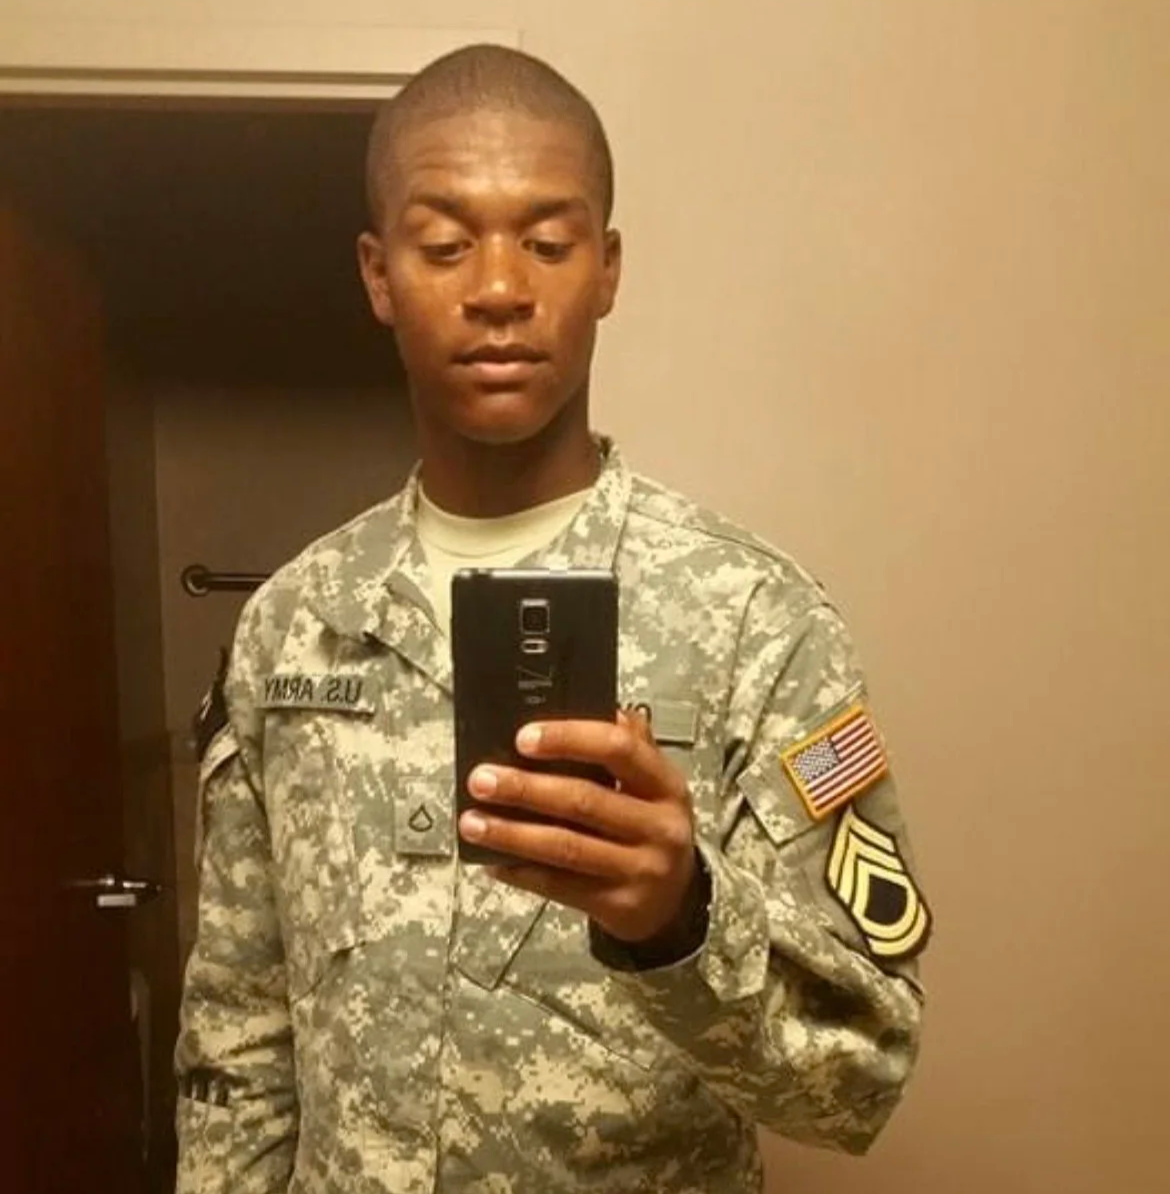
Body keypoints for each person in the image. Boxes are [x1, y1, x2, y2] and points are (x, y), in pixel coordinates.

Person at [175, 43, 930, 1194]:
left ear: (607, 268)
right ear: (379, 275)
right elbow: (238, 1034)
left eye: (546, 242)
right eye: (445, 244)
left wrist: (681, 922)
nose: (497, 289)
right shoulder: (295, 624)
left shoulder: (754, 621)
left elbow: (863, 1075)